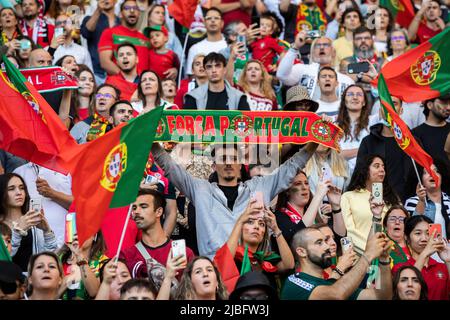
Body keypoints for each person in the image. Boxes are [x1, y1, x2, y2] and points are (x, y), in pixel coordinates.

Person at [151, 140, 318, 258]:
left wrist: (315, 142)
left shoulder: (260, 186)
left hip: (252, 272)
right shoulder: (200, 189)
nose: (229, 163)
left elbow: (292, 166)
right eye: (223, 159)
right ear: (214, 166)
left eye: (233, 158)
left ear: (241, 164)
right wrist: (150, 141)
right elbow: (170, 167)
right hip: (214, 271)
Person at [281, 228, 393, 299]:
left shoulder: (332, 284)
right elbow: (336, 295)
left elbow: (382, 296)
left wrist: (384, 259)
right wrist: (367, 255)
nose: (327, 246)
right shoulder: (294, 283)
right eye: (319, 243)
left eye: (325, 241)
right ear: (301, 252)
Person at [119, 189, 195, 285]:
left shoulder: (181, 252)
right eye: (134, 208)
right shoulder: (127, 255)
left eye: (143, 206)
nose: (136, 212)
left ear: (159, 212)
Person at [224, 199, 295, 288]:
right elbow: (225, 260)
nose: (256, 227)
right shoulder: (233, 256)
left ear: (264, 233)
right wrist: (240, 221)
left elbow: (289, 265)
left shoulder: (267, 258)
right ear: (240, 229)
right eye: (250, 222)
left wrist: (275, 229)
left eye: (261, 224)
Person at [341, 154, 400, 255]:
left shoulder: (392, 198)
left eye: (383, 167)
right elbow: (349, 231)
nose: (382, 170)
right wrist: (371, 251)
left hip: (390, 254)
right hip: (361, 256)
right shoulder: (348, 196)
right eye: (377, 166)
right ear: (365, 170)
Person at [0, 173, 57, 272]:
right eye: (11, 188)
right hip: (8, 283)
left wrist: (47, 232)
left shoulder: (33, 220)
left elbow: (48, 257)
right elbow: (4, 258)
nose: (19, 192)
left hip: (33, 282)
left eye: (22, 188)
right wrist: (18, 232)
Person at [275, 169, 346, 245]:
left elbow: (340, 239)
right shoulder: (279, 216)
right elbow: (298, 239)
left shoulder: (315, 214)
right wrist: (318, 195)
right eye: (298, 183)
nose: (304, 187)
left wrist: (336, 207)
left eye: (306, 183)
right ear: (287, 190)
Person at [13, 162, 73, 248]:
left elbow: (81, 207)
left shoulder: (68, 169)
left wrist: (52, 193)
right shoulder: (19, 172)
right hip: (33, 245)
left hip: (67, 240)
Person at [277, 35, 354, 101]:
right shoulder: (302, 69)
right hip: (308, 116)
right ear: (312, 53)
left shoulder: (346, 79)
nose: (321, 48)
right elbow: (282, 75)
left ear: (333, 53)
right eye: (317, 45)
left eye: (326, 45)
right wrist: (295, 48)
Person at [392, 215, 450, 300]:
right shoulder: (399, 268)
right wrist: (425, 253)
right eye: (418, 233)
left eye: (428, 233)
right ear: (406, 238)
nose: (424, 239)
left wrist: (448, 261)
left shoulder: (442, 267)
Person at [98, 0, 149, 76]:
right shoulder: (109, 33)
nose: (132, 11)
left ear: (139, 14)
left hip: (142, 85)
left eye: (135, 8)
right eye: (127, 8)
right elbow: (105, 62)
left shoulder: (145, 39)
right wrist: (127, 78)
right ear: (120, 14)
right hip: (118, 85)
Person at [183, 52, 250, 110]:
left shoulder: (238, 97)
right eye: (209, 67)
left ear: (224, 70)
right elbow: (187, 123)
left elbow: (247, 122)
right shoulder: (193, 97)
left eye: (218, 66)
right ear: (205, 71)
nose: (214, 70)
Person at [412, 94, 450, 195]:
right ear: (429, 105)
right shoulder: (415, 135)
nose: (448, 107)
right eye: (444, 103)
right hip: (425, 197)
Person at [336, 84, 376, 172]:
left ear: (364, 102)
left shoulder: (373, 121)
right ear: (344, 101)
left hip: (366, 175)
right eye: (350, 94)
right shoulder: (334, 124)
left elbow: (388, 110)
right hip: (341, 176)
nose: (355, 97)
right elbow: (333, 156)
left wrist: (376, 80)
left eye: (359, 94)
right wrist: (363, 150)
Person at [341, 26, 384, 108]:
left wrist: (357, 77)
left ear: (372, 40)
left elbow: (386, 84)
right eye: (359, 38)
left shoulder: (383, 62)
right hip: (353, 104)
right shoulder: (346, 62)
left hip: (378, 104)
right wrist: (373, 78)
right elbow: (345, 81)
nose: (363, 41)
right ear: (353, 41)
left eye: (367, 38)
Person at [404, 164, 450, 239]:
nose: (432, 174)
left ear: (442, 177)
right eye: (427, 172)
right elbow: (409, 229)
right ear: (420, 179)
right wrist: (421, 201)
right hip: (423, 250)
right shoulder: (411, 202)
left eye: (436, 171)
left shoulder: (449, 201)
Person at [58, 233, 109, 300]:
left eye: (83, 229)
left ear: (94, 236)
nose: (77, 233)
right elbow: (49, 294)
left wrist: (79, 255)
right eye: (74, 228)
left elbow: (94, 293)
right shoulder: (59, 259)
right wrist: (69, 280)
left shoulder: (103, 261)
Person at [81, 0, 119, 84]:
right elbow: (86, 32)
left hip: (117, 73)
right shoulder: (90, 18)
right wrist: (98, 10)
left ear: (116, 1)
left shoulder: (121, 22)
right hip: (96, 73)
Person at [185, 7, 227, 76]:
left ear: (222, 23)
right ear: (204, 23)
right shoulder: (195, 48)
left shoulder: (231, 45)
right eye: (209, 18)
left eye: (216, 18)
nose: (213, 21)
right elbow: (192, 77)